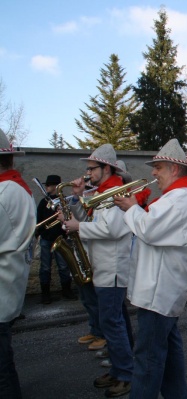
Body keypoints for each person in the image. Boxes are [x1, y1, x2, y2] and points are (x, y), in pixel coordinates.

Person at [113, 138, 187, 399]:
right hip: (162, 290)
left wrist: (131, 207)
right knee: (170, 359)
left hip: (159, 291)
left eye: (158, 167)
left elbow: (148, 230)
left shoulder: (179, 198)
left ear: (174, 169)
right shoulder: (178, 196)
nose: (153, 173)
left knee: (147, 364)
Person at [62, 144, 133, 397]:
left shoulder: (116, 192)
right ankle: (118, 369)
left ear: (106, 168)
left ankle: (125, 373)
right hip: (103, 267)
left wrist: (78, 227)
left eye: (92, 169)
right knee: (114, 322)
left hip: (112, 269)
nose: (87, 173)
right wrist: (76, 202)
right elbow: (91, 222)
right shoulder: (102, 192)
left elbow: (112, 230)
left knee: (111, 324)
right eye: (88, 169)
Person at [0, 128, 36, 398]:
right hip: (10, 284)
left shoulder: (6, 193)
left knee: (2, 370)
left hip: (3, 288)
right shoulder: (19, 190)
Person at [35, 174, 77, 304]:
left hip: (60, 238)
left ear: (54, 186)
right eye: (46, 185)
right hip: (46, 239)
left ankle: (66, 290)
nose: (46, 187)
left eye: (48, 185)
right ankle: (45, 294)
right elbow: (39, 219)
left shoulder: (63, 200)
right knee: (45, 267)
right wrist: (40, 232)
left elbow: (69, 218)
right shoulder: (44, 202)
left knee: (64, 266)